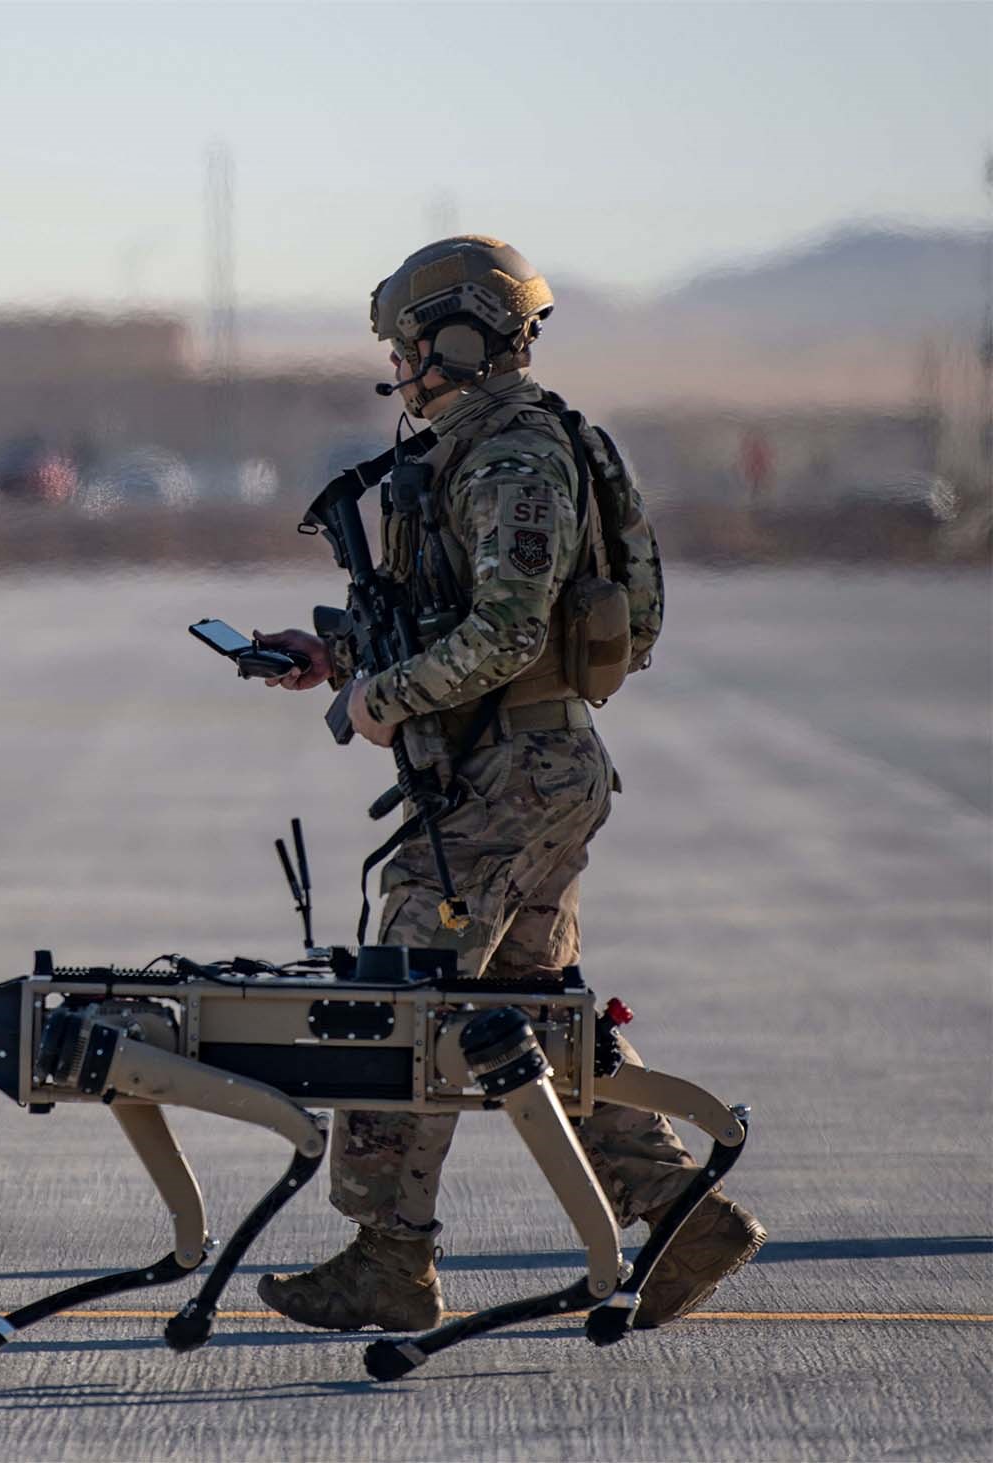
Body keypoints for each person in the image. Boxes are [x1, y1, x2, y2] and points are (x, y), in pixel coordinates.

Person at [248, 236, 765, 1333]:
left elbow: (507, 631)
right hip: (518, 769)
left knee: (403, 1005)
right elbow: (466, 629)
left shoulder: (513, 459)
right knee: (529, 1018)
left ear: (467, 338)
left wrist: (381, 698)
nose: (400, 367)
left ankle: (391, 1257)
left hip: (512, 777)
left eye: (410, 345)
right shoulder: (480, 450)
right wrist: (340, 660)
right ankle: (684, 1214)